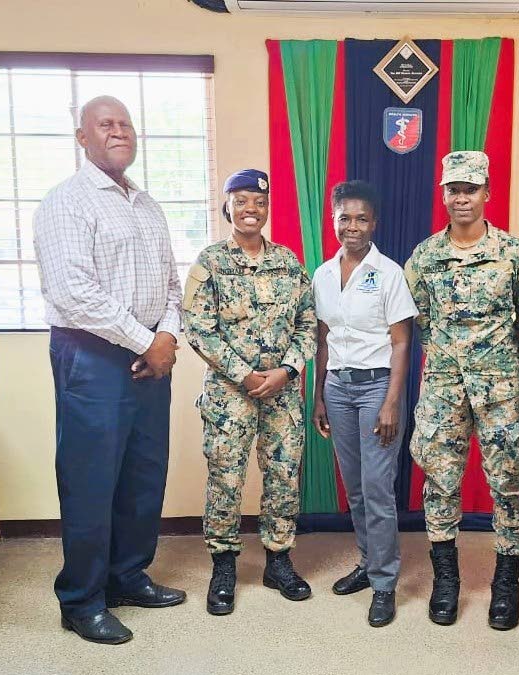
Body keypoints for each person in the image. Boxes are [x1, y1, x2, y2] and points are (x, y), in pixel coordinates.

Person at [33, 95, 186, 645]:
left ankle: (127, 576)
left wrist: (166, 337)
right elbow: (74, 294)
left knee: (144, 474)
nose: (118, 131)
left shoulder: (147, 205)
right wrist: (149, 340)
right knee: (91, 482)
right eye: (105, 124)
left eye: (125, 123)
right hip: (92, 355)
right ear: (82, 137)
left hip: (151, 353)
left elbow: (172, 283)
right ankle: (81, 599)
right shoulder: (66, 203)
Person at [404, 151, 519, 630]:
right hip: (443, 388)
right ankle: (447, 580)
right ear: (443, 195)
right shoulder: (423, 257)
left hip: (501, 387)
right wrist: (453, 359)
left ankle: (506, 582)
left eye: (470, 188)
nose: (461, 197)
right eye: (453, 189)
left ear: (487, 193)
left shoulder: (517, 256)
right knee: (440, 482)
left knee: (508, 483)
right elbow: (422, 318)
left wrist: (497, 362)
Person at [183, 169, 316, 615]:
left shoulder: (288, 261)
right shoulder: (211, 262)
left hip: (281, 391)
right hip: (229, 395)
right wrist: (244, 374)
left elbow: (307, 323)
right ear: (227, 207)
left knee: (283, 475)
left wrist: (287, 370)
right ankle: (223, 566)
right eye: (241, 201)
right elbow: (198, 328)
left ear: (266, 208)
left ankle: (278, 560)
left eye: (258, 202)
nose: (250, 210)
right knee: (226, 478)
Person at [312, 180, 417, 628]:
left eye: (361, 218)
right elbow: (322, 339)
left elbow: (401, 342)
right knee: (353, 486)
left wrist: (393, 402)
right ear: (333, 220)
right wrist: (317, 394)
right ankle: (366, 561)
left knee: (377, 487)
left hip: (377, 388)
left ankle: (384, 583)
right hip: (337, 387)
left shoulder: (389, 273)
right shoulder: (321, 274)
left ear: (374, 223)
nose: (352, 226)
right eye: (344, 218)